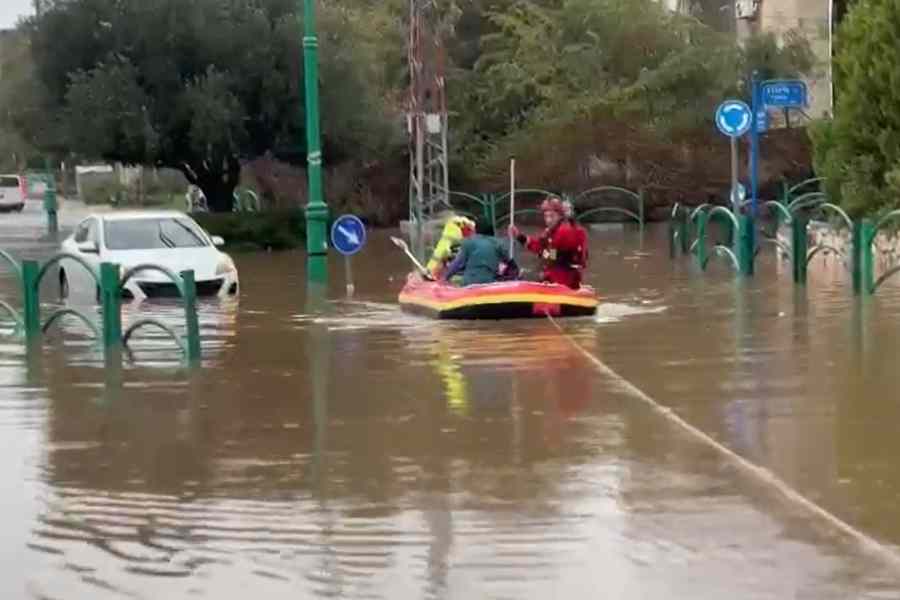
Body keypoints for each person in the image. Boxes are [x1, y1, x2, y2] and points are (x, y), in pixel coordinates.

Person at [508, 196, 584, 289]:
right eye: (546, 216)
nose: (548, 220)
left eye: (552, 216)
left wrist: (542, 254)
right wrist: (519, 236)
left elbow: (551, 255)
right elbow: (539, 246)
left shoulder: (563, 232)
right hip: (555, 275)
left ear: (560, 216)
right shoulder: (551, 231)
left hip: (563, 279)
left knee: (522, 276)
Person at [441, 219, 508, 286]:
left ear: (476, 230)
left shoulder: (469, 241)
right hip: (490, 281)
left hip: (471, 282)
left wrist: (445, 278)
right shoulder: (498, 243)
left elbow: (458, 263)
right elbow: (507, 262)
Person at [426, 215, 476, 279]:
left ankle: (431, 270)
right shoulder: (467, 226)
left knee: (442, 253)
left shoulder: (454, 224)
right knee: (444, 253)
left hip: (454, 234)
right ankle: (432, 270)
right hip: (456, 236)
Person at [562, 199, 589, 271]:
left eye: (567, 209)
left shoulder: (580, 231)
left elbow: (584, 251)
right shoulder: (551, 231)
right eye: (563, 209)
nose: (565, 212)